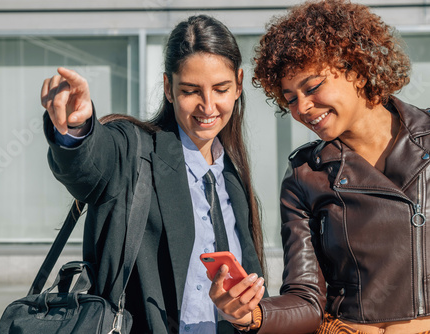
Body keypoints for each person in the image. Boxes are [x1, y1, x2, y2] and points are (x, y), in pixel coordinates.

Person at [208, 0, 430, 333]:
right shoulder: (305, 174)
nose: (303, 108)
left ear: (355, 66)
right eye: (290, 98)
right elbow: (307, 297)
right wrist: (252, 315)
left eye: (312, 88)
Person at [41, 15, 267, 334]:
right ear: (169, 89)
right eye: (190, 90)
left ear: (239, 84)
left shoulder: (233, 177)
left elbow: (254, 292)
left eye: (221, 89)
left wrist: (248, 313)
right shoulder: (134, 151)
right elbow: (90, 164)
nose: (207, 105)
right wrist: (77, 128)